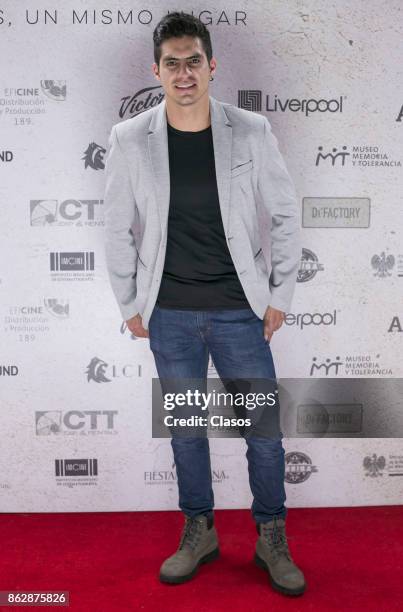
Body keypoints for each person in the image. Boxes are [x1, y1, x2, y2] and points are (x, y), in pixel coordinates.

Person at [104, 11, 305, 597]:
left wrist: (280, 296)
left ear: (211, 66)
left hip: (241, 311)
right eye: (173, 63)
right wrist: (129, 304)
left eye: (194, 61)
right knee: (187, 434)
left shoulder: (250, 130)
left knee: (263, 435)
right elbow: (117, 228)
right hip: (169, 317)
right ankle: (200, 530)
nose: (184, 72)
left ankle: (271, 536)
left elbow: (286, 215)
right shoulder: (129, 139)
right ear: (157, 70)